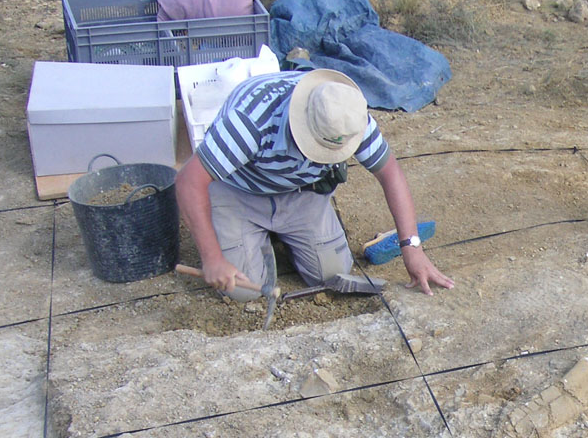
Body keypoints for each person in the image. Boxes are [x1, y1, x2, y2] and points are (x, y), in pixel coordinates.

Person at [175, 68, 453, 301]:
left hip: (300, 195)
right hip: (239, 192)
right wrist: (212, 257)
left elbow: (390, 172)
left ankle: (279, 237)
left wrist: (412, 248)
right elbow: (189, 181)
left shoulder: (347, 117)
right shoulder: (250, 122)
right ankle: (253, 234)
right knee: (242, 291)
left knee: (331, 274)